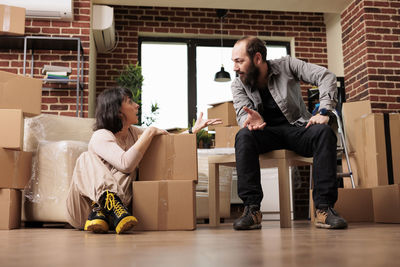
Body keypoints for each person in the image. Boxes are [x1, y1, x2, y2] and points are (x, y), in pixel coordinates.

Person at [66, 87, 221, 234]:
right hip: (84, 211)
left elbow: (166, 144)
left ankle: (108, 207)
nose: (137, 105)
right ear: (118, 111)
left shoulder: (133, 133)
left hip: (115, 216)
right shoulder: (101, 135)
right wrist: (150, 131)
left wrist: (192, 130)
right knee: (85, 157)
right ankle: (106, 204)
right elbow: (125, 163)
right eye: (130, 102)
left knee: (135, 164)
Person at [230, 36, 347, 230]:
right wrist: (251, 121)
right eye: (233, 62)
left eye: (239, 61)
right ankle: (252, 209)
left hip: (297, 129)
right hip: (266, 132)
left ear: (257, 58)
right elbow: (242, 113)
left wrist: (324, 111)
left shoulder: (287, 64)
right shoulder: (238, 84)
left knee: (323, 132)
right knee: (243, 136)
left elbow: (326, 76)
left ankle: (324, 209)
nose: (235, 67)